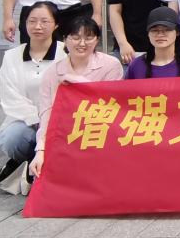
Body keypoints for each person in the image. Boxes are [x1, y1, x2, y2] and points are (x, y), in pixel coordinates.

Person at [30, 16, 123, 178]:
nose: (82, 43)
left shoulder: (111, 65)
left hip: (100, 133)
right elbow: (47, 115)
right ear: (65, 40)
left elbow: (110, 105)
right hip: (66, 135)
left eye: (89, 37)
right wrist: (41, 151)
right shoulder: (52, 73)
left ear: (97, 40)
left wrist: (77, 82)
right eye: (75, 37)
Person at [0, 2, 64, 190]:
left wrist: (52, 122)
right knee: (13, 138)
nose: (37, 26)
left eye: (44, 21)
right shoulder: (11, 56)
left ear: (56, 24)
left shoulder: (66, 53)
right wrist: (39, 121)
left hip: (61, 123)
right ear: (25, 24)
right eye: (32, 21)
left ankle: (39, 165)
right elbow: (11, 97)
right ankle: (32, 161)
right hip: (26, 123)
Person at [124, 7, 180, 78]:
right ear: (148, 34)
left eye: (167, 29)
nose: (160, 34)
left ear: (177, 32)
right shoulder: (136, 65)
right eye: (154, 30)